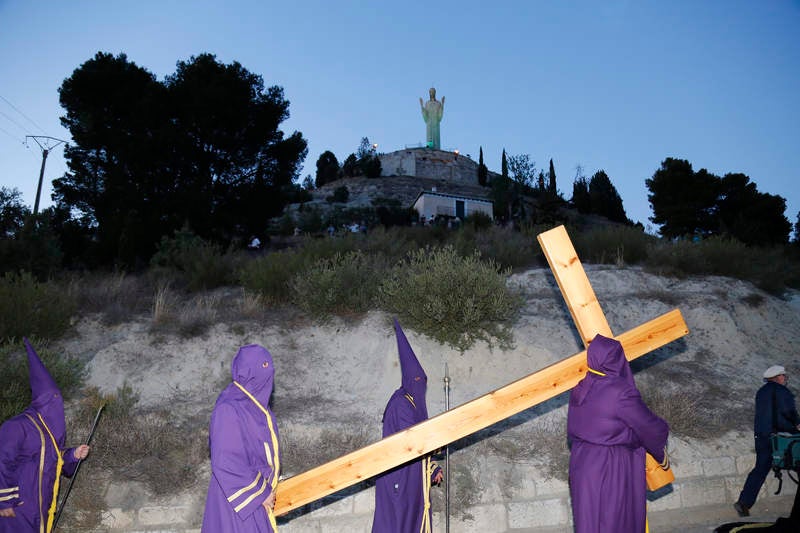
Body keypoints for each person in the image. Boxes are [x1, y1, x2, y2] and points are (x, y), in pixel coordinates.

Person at [567, 334, 669, 533]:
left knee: (590, 524)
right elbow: (649, 426)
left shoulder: (580, 388)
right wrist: (659, 446)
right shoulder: (620, 391)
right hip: (610, 466)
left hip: (583, 463)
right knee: (614, 522)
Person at [0, 338, 90, 533]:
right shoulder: (16, 426)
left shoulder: (46, 431)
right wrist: (5, 503)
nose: (56, 406)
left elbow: (54, 460)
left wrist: (73, 455)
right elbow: (1, 461)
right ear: (41, 401)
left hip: (40, 505)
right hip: (17, 507)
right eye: (52, 399)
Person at [372, 319, 443, 533]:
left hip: (411, 478)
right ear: (409, 380)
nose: (420, 384)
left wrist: (433, 469)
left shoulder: (414, 402)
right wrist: (439, 440)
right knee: (398, 524)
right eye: (417, 380)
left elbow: (420, 449)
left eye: (423, 381)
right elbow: (412, 441)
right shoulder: (400, 404)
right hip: (398, 479)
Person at [202, 344, 281, 533]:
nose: (268, 373)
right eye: (262, 367)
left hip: (256, 500)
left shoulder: (256, 408)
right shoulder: (229, 408)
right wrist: (261, 493)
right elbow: (226, 460)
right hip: (237, 506)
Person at [734, 365, 800, 517]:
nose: (785, 379)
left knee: (761, 468)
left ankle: (744, 503)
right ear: (777, 377)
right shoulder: (782, 391)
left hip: (761, 436)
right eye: (784, 376)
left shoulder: (761, 392)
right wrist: (797, 424)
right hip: (780, 438)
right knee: (797, 463)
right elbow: (788, 412)